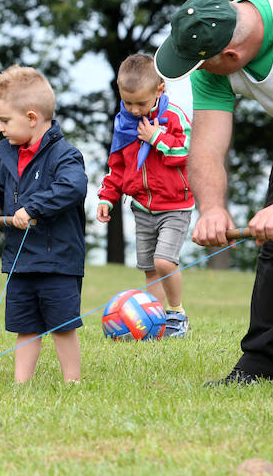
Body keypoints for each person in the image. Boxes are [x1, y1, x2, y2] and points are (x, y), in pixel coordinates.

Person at [154, 0, 273, 384]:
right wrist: (211, 208)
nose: (195, 73)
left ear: (230, 54)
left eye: (200, 64)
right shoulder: (212, 56)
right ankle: (265, 367)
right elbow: (207, 147)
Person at [0, 66, 87, 383]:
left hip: (58, 261)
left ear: (32, 118)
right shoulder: (10, 158)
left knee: (62, 327)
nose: (0, 128)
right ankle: (21, 384)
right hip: (20, 262)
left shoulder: (65, 155)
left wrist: (33, 207)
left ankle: (72, 382)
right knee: (25, 327)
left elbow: (72, 188)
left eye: (5, 121)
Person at [96, 53, 193, 337]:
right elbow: (117, 165)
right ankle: (157, 322)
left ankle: (177, 313)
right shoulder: (124, 123)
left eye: (141, 102)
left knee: (164, 261)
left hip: (175, 205)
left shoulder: (172, 116)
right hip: (142, 206)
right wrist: (106, 197)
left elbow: (187, 152)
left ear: (160, 89)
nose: (135, 110)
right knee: (150, 269)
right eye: (128, 102)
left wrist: (156, 138)